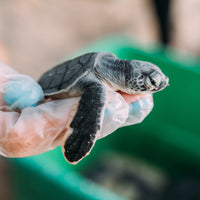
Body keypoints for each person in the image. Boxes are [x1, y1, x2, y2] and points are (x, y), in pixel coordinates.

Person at [0, 61, 153, 159]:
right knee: (98, 99)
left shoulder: (115, 70)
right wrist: (83, 132)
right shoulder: (98, 81)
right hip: (49, 87)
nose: (150, 89)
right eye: (148, 85)